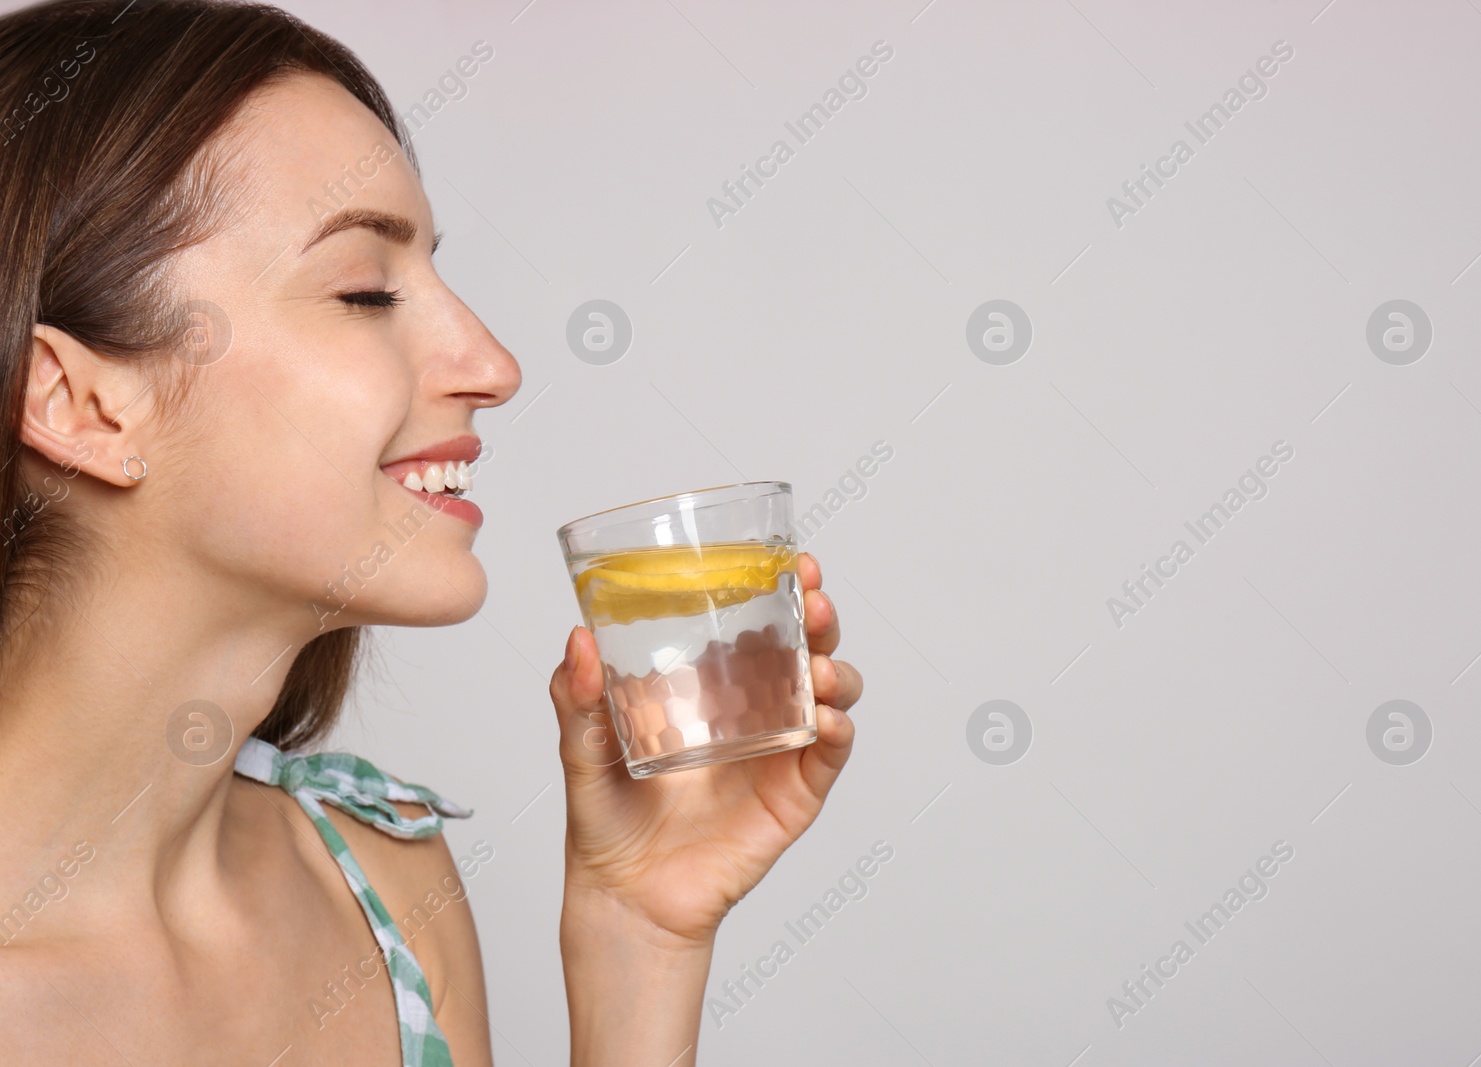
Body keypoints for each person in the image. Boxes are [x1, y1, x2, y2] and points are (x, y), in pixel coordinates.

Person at [0, 2, 863, 1063]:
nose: (492, 365)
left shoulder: (381, 885)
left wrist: (637, 930)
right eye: (366, 291)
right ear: (78, 402)